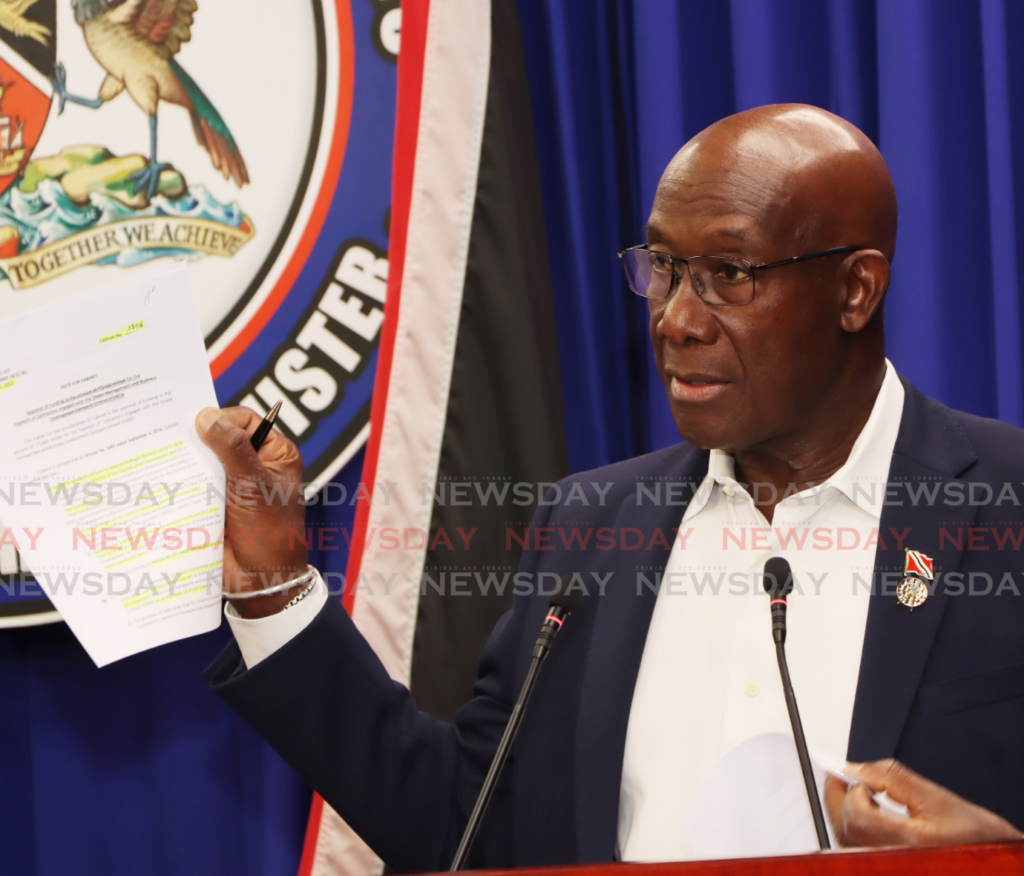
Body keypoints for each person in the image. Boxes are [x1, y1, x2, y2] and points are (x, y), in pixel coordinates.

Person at [200, 105, 1024, 870]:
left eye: (731, 272)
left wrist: (999, 858)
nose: (676, 319)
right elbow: (466, 826)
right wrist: (274, 591)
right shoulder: (589, 527)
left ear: (855, 290)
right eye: (665, 266)